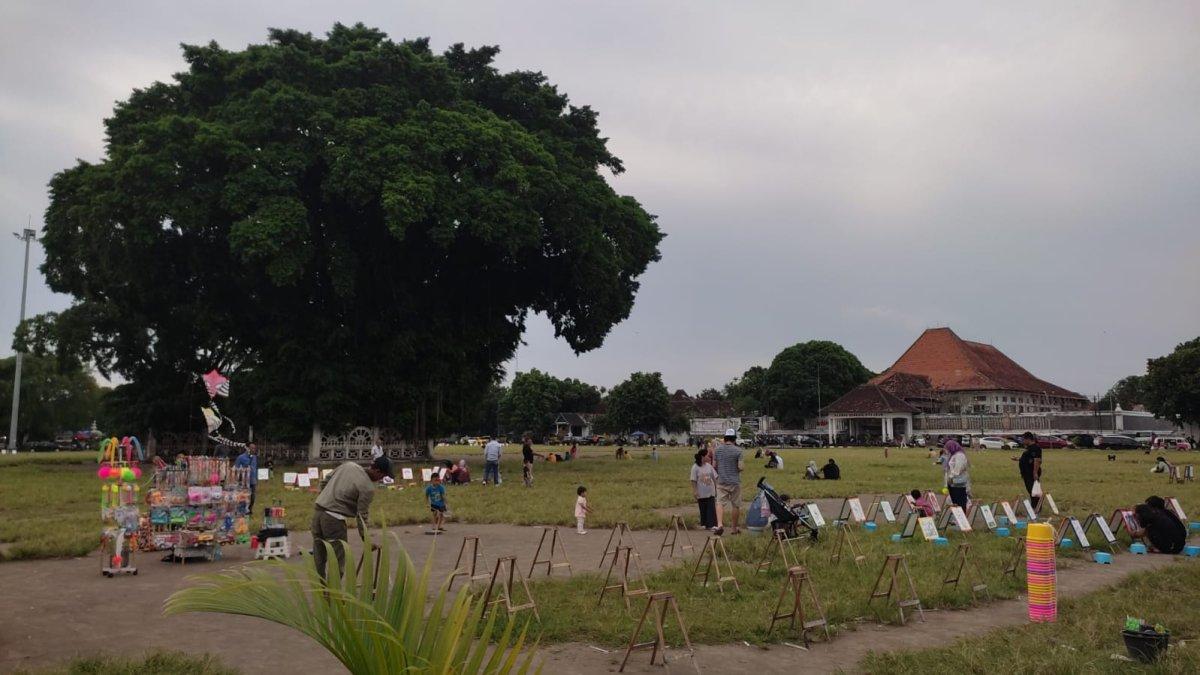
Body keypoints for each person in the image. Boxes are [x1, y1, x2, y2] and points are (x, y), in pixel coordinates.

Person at [311, 456, 392, 580]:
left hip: (317, 513)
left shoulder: (348, 465)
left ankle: (321, 591)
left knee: (319, 557)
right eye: (382, 476)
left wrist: (326, 498)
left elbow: (324, 481)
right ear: (378, 471)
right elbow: (362, 515)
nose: (381, 480)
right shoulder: (367, 488)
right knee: (338, 560)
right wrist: (366, 540)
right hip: (334, 519)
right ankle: (333, 595)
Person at [713, 428, 744, 536]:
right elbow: (740, 467)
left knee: (720, 503)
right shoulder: (738, 451)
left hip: (721, 481)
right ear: (734, 439)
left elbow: (714, 466)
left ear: (725, 438)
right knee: (735, 505)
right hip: (735, 482)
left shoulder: (717, 450)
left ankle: (720, 524)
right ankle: (734, 528)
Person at [1013, 431, 1043, 511]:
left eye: (1023, 439)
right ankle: (1034, 506)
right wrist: (1018, 459)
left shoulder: (1035, 448)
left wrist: (1035, 472)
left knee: (1034, 491)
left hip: (1031, 473)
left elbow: (1037, 460)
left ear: (1028, 439)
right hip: (1026, 473)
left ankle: (1036, 507)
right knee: (1031, 490)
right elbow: (1027, 459)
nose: (1022, 441)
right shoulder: (1029, 448)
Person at [690, 449, 718, 529]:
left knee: (711, 508)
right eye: (707, 455)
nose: (709, 457)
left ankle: (712, 525)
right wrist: (695, 491)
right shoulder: (695, 467)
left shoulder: (709, 466)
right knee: (703, 508)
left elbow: (715, 478)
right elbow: (693, 480)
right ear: (702, 456)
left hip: (710, 492)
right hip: (701, 492)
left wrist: (717, 488)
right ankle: (704, 524)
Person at [943, 439, 970, 508]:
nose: (947, 450)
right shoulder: (953, 455)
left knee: (960, 502)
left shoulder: (960, 455)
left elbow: (958, 469)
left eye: (948, 448)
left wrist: (951, 477)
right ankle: (956, 517)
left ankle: (961, 517)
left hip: (958, 482)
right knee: (955, 502)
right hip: (953, 483)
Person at [233, 443, 258, 514]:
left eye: (254, 448)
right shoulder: (240, 457)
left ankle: (250, 509)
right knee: (243, 496)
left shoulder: (254, 457)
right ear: (247, 448)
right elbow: (236, 468)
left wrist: (256, 479)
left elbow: (255, 468)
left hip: (253, 480)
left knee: (253, 497)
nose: (253, 450)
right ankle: (242, 510)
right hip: (244, 481)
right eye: (252, 448)